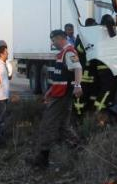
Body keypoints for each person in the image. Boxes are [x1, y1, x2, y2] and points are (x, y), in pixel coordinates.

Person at [32, 30, 83, 168]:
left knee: (47, 124)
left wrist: (78, 85)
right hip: (59, 94)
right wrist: (49, 90)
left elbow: (78, 69)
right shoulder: (62, 54)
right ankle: (78, 149)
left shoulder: (69, 52)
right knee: (63, 126)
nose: (52, 43)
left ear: (60, 38)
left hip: (62, 96)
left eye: (53, 40)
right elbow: (59, 77)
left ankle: (42, 159)